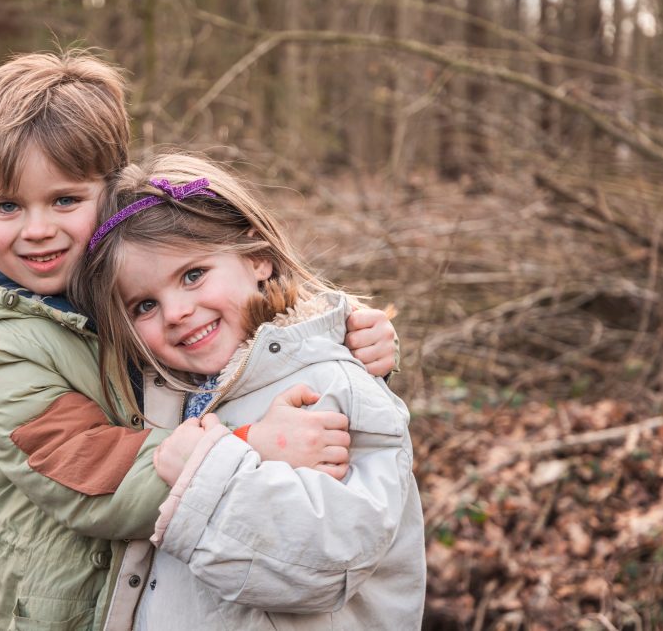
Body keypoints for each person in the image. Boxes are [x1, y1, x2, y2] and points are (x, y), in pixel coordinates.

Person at [0, 51, 403, 630]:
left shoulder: (138, 280)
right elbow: (81, 469)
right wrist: (244, 445)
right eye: (6, 206)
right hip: (72, 606)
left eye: (65, 200)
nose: (37, 230)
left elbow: (253, 320)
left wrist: (352, 338)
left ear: (112, 192)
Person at [72, 153, 425, 630]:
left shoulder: (327, 386)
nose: (175, 313)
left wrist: (204, 472)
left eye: (193, 275)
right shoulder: (168, 395)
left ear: (257, 257)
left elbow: (327, 564)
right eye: (145, 305)